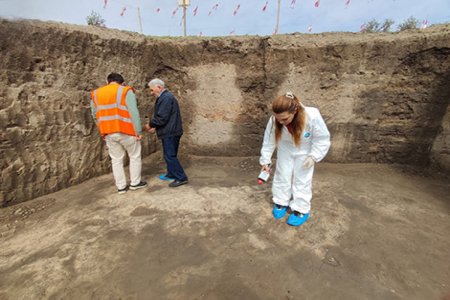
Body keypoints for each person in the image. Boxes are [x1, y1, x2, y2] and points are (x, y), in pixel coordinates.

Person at [260, 92, 330, 227]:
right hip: (285, 149)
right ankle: (281, 201)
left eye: (284, 119)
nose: (280, 122)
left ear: (295, 111)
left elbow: (322, 138)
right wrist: (265, 160)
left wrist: (314, 156)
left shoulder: (312, 115)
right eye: (278, 118)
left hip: (305, 152)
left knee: (302, 179)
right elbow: (269, 140)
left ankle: (301, 209)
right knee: (282, 175)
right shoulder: (275, 119)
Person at [90, 73, 147, 194]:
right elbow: (133, 112)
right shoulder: (125, 91)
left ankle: (121, 187)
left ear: (107, 81)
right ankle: (135, 183)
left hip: (109, 132)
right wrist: (138, 131)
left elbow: (94, 115)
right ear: (122, 82)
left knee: (116, 160)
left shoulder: (96, 94)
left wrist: (102, 130)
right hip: (126, 130)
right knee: (134, 156)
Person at [144, 78, 188, 188]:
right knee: (169, 154)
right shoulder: (165, 97)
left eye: (152, 90)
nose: (151, 92)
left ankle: (181, 177)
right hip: (171, 130)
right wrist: (156, 127)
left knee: (170, 155)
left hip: (170, 132)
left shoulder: (166, 98)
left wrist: (151, 125)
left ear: (159, 87)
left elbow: (162, 117)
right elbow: (165, 117)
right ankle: (171, 173)